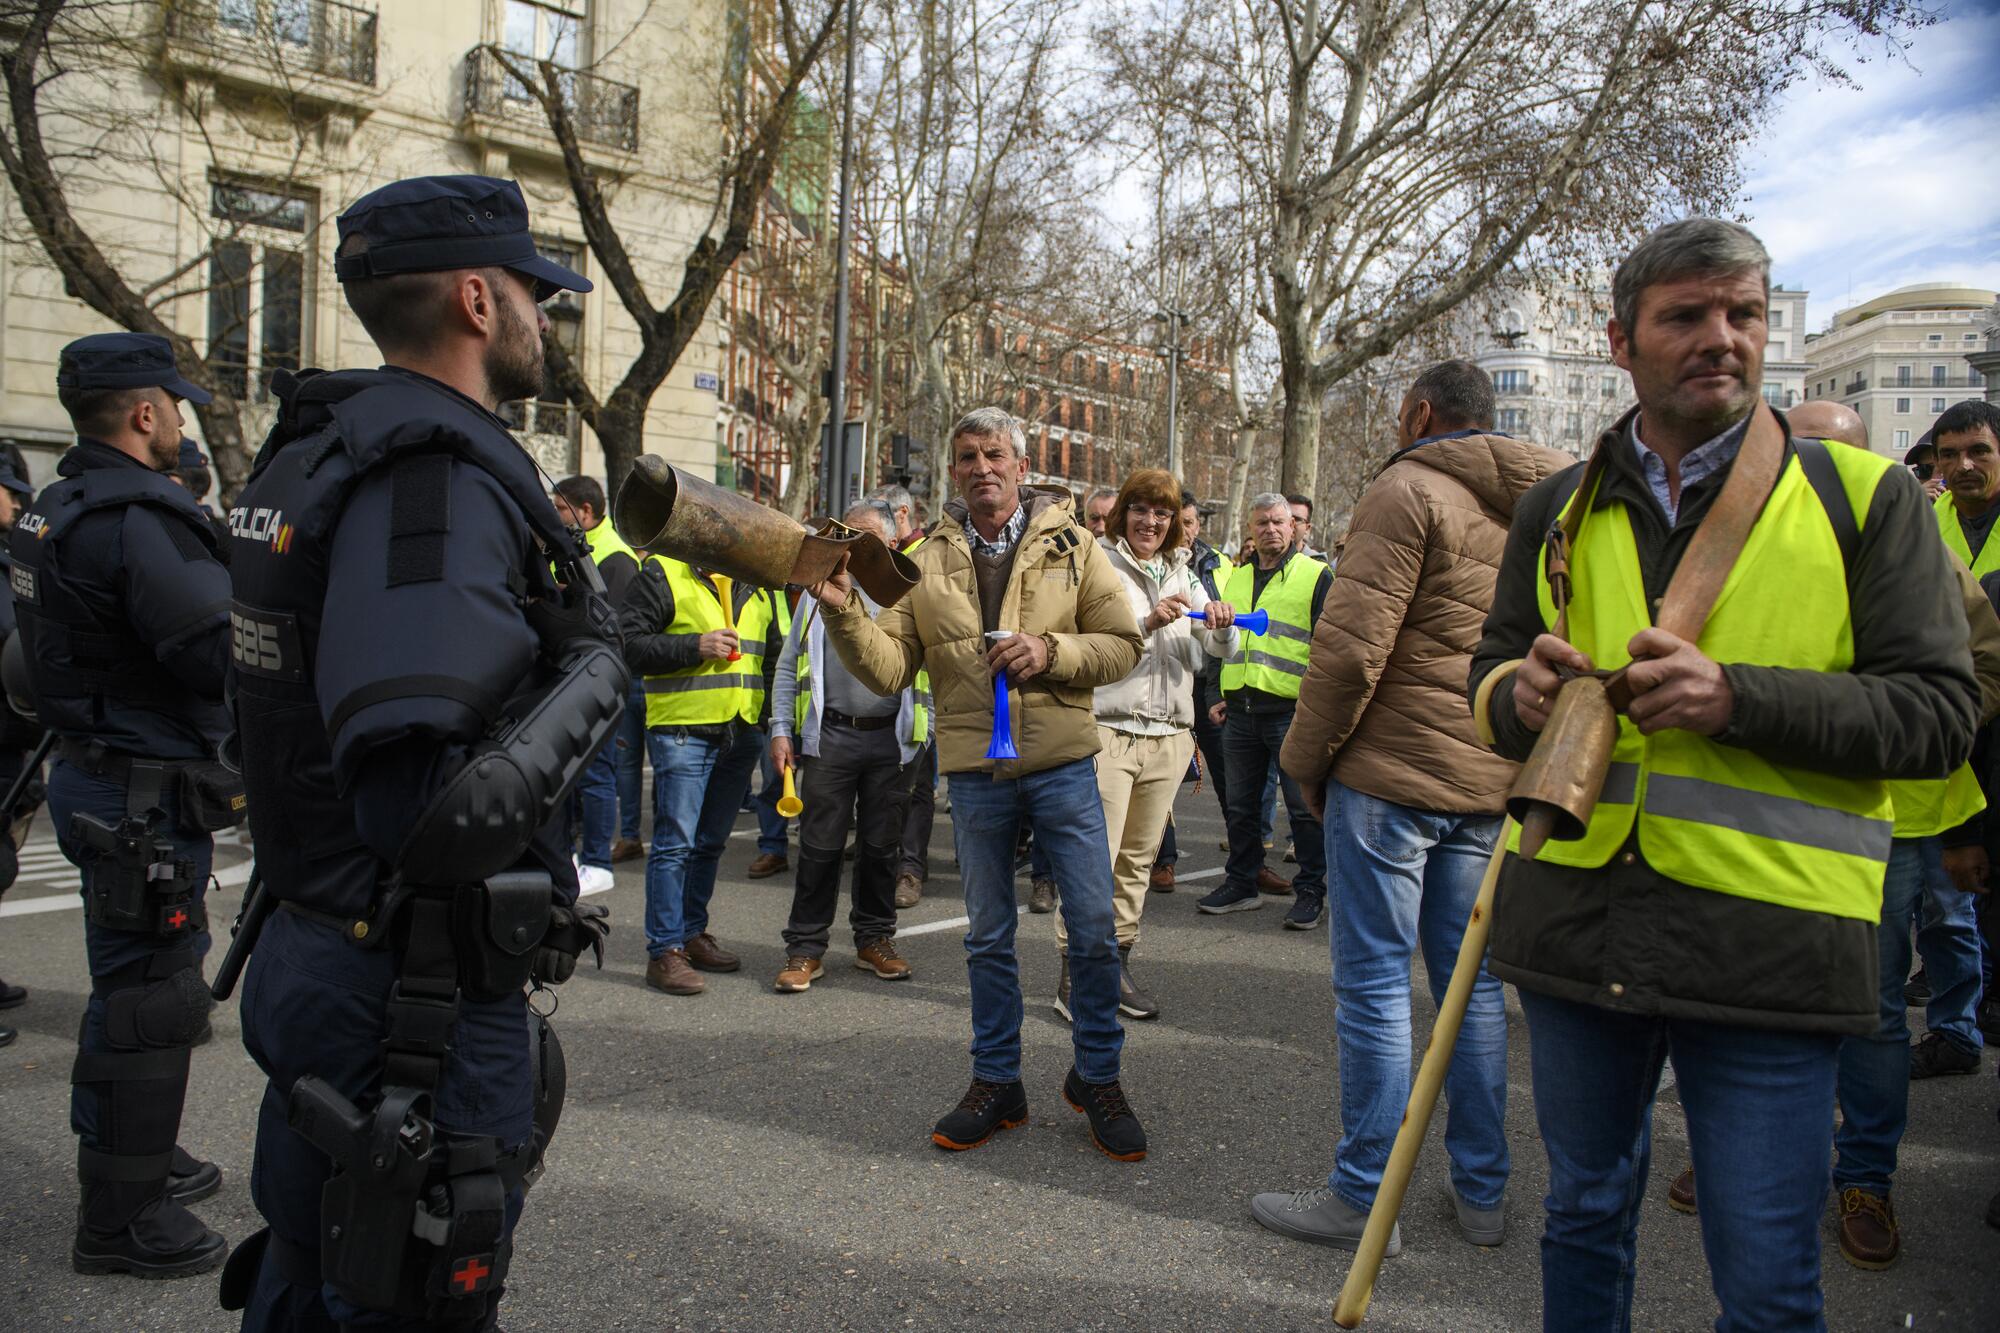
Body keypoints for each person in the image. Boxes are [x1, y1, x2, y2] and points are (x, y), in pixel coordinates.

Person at [1468, 218, 1978, 1330]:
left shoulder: (1862, 498)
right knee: (1583, 1212)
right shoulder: (1554, 507)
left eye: (1741, 313)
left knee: (1762, 1273)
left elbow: (1941, 714)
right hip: (1578, 921)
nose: (1720, 338)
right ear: (1620, 340)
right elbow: (1488, 675)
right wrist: (1520, 696)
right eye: (1685, 316)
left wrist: (1735, 698)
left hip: (1773, 940)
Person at [223, 176, 618, 1330]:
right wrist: (592, 676)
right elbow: (437, 804)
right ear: (473, 299)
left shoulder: (326, 446)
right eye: (535, 295)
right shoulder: (430, 482)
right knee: (401, 1292)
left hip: (335, 950)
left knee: (318, 1270)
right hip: (405, 995)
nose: (547, 319)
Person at [1659, 397, 2000, 1270]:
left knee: (1873, 1013)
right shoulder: (1728, 531)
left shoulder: (1895, 530)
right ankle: (1754, 1153)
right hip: (1745, 826)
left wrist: (1888, 731)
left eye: (1817, 451)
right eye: (1787, 447)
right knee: (1747, 998)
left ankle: (1864, 1178)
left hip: (1883, 832)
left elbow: (1976, 674)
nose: (1793, 466)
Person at [1256, 361, 1569, 1254]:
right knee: (1470, 991)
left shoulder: (1408, 487)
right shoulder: (1548, 501)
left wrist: (1306, 762)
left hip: (1392, 776)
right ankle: (1482, 1191)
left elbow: (1351, 654)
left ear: (1419, 413)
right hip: (1489, 769)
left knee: (1376, 990)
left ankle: (1364, 1193)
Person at [810, 407, 1148, 1159]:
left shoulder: (1074, 543)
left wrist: (1051, 650)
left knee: (1091, 933)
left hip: (1062, 766)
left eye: (996, 454)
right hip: (977, 774)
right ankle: (998, 1080)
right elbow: (893, 666)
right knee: (988, 937)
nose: (982, 467)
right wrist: (842, 616)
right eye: (967, 456)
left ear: (1021, 467)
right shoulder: (922, 557)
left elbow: (1124, 645)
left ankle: (1097, 1074)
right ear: (953, 470)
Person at [8, 333, 234, 1278]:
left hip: (103, 772)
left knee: (143, 983)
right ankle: (119, 1215)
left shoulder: (56, 508)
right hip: (141, 792)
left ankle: (139, 1157)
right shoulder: (141, 517)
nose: (181, 418)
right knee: (148, 999)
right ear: (144, 414)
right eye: (173, 404)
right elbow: (218, 648)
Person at [1055, 469, 1237, 1023]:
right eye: (1140, 510)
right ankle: (1074, 977)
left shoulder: (1187, 569)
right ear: (1121, 513)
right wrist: (1145, 620)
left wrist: (1224, 626)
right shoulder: (1095, 563)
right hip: (1108, 730)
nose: (1151, 522)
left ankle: (1117, 968)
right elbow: (1080, 641)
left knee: (1137, 862)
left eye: (1163, 514)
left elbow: (1214, 652)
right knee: (1094, 863)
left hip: (1170, 738)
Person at [767, 500, 924, 992]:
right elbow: (789, 665)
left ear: (890, 544)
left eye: (864, 540)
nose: (851, 549)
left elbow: (930, 674)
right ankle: (805, 948)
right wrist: (780, 729)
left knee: (881, 849)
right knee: (819, 848)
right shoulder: (816, 595)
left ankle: (873, 940)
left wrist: (927, 732)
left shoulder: (906, 600)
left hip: (891, 742)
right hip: (830, 737)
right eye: (845, 538)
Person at [620, 545, 784, 995]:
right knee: (675, 844)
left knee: (710, 843)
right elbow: (626, 643)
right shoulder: (663, 572)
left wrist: (776, 725)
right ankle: (665, 951)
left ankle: (692, 933)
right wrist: (694, 646)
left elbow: (772, 660)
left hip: (742, 729)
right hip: (683, 728)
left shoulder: (760, 583)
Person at [1197, 494, 1331, 926]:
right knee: (1240, 806)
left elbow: (1330, 647)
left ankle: (1311, 889)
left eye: (1279, 522)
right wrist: (1214, 692)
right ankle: (1242, 882)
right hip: (1239, 710)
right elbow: (1218, 642)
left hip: (1292, 711)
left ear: (1294, 528)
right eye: (1262, 523)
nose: (1271, 529)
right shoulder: (1233, 578)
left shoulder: (1316, 576)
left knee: (1301, 807)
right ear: (1250, 529)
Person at [552, 475, 641, 896]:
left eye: (560, 508)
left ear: (585, 511)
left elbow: (612, 630)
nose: (555, 515)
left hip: (597, 684)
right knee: (568, 776)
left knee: (596, 776)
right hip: (571, 680)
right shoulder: (574, 546)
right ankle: (571, 856)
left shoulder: (616, 557)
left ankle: (597, 863)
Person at [1150, 491, 1233, 892]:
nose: (1183, 530)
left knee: (1228, 779)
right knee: (1162, 781)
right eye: (1175, 520)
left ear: (1198, 524)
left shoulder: (1221, 566)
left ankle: (1244, 860)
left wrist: (1219, 688)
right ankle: (1163, 860)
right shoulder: (1152, 563)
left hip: (1210, 687)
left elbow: (1227, 631)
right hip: (1172, 685)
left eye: (1189, 522)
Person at [868, 483, 936, 908]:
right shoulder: (869, 567)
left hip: (919, 698)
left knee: (919, 789)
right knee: (886, 791)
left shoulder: (924, 559)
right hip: (876, 699)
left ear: (903, 518)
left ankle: (911, 868)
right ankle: (885, 859)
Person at [1287, 492, 1324, 558]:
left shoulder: (1317, 564)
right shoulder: (1265, 560)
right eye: (1287, 517)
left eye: (1297, 519)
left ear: (1307, 528)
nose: (1290, 523)